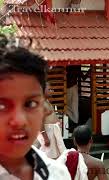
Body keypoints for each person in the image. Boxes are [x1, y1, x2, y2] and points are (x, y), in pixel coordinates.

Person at [0, 38, 71, 179]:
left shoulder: (58, 174)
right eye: (2, 106)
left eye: (30, 104)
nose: (19, 121)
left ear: (43, 106)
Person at [66, 65, 90, 132]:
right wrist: (89, 71)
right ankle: (74, 124)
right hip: (71, 88)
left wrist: (89, 71)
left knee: (71, 107)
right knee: (72, 107)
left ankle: (74, 124)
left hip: (70, 88)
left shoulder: (71, 66)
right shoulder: (76, 66)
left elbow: (83, 77)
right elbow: (83, 77)